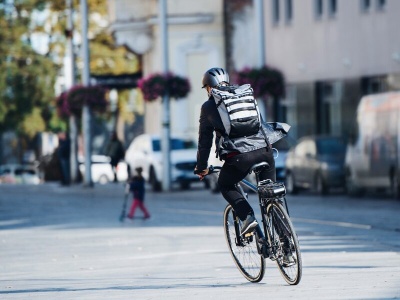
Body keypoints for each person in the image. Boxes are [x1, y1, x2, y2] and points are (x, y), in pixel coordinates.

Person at [195, 67, 276, 236]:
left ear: (209, 87)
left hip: (240, 157)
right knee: (272, 196)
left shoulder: (209, 106)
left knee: (226, 184)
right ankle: (287, 248)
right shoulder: (244, 95)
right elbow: (260, 123)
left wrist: (202, 167)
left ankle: (247, 218)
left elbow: (205, 141)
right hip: (265, 150)